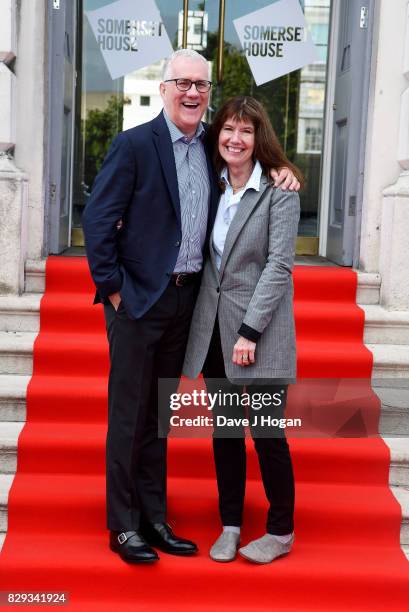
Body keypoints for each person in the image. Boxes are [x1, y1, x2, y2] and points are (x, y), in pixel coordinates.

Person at [82, 49, 300, 564]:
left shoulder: (210, 146)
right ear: (163, 88)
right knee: (129, 416)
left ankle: (154, 518)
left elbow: (252, 157)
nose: (192, 92)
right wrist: (115, 290)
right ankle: (123, 525)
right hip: (138, 301)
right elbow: (97, 222)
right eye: (182, 82)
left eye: (201, 85)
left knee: (160, 417)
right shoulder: (135, 144)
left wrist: (285, 168)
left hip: (189, 303)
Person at [183, 96, 302, 564]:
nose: (236, 138)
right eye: (229, 129)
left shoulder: (280, 191)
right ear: (219, 136)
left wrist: (250, 332)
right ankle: (230, 524)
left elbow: (279, 266)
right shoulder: (211, 184)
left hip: (262, 332)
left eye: (246, 131)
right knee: (227, 432)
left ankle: (281, 530)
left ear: (259, 139)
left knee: (268, 433)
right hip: (212, 328)